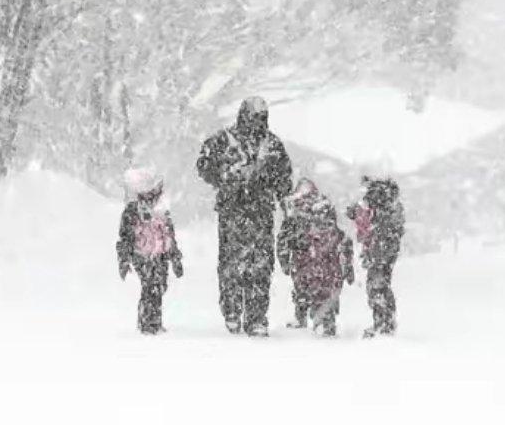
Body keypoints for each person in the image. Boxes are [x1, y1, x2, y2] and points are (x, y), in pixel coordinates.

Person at [196, 97, 293, 336]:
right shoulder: (224, 140)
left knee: (260, 267)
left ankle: (256, 316)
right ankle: (232, 311)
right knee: (231, 265)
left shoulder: (271, 145)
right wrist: (225, 179)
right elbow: (203, 165)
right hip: (233, 212)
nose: (258, 121)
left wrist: (283, 201)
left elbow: (284, 178)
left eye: (262, 116)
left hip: (260, 214)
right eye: (255, 116)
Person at [279, 178, 354, 337]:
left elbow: (284, 238)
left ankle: (303, 318)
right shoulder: (325, 208)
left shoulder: (295, 210)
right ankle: (326, 323)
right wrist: (347, 266)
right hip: (328, 263)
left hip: (303, 261)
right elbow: (341, 237)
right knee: (326, 293)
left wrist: (284, 259)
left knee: (302, 289)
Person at [116, 168, 183, 335]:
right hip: (141, 254)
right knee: (150, 285)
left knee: (160, 285)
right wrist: (124, 259)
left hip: (160, 254)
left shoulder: (162, 210)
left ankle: (155, 321)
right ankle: (147, 322)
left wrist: (175, 258)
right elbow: (125, 237)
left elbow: (169, 235)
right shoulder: (133, 210)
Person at [347, 175, 404, 338]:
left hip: (379, 249)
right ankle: (385, 323)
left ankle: (383, 325)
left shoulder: (378, 201)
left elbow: (370, 224)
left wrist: (358, 214)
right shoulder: (390, 204)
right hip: (384, 250)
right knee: (381, 285)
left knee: (376, 286)